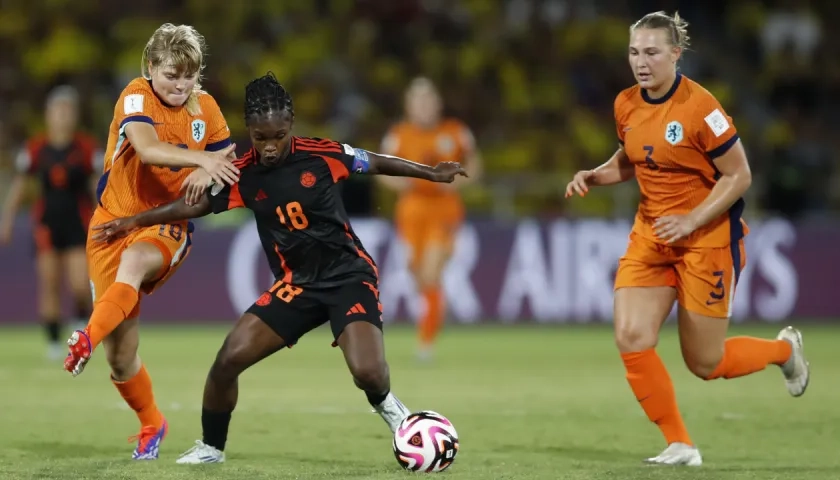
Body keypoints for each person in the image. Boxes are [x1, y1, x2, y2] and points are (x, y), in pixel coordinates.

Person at [91, 72, 468, 464]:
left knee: (368, 372)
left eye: (277, 136)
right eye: (260, 137)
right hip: (296, 286)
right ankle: (211, 448)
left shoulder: (323, 155)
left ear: (290, 125)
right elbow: (196, 205)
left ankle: (392, 410)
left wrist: (431, 173)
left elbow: (374, 162)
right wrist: (136, 221)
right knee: (227, 361)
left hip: (347, 277)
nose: (269, 147)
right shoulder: (242, 173)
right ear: (249, 130)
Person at [564, 11, 809, 466]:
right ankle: (681, 444)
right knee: (631, 335)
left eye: (652, 52)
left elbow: (739, 175)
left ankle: (783, 351)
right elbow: (634, 155)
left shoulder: (702, 108)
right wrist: (595, 176)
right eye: (635, 52)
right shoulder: (626, 103)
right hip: (652, 235)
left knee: (705, 363)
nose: (642, 62)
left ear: (676, 54)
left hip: (707, 240)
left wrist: (693, 220)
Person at [62, 23, 239, 460]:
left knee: (137, 263)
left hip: (165, 221)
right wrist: (202, 159)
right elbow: (147, 148)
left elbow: (228, 153)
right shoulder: (135, 96)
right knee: (122, 358)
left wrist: (206, 169)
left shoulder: (207, 108)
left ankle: (84, 336)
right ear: (150, 68)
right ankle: (151, 423)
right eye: (170, 76)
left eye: (189, 76)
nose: (180, 86)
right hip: (110, 225)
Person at [377, 77, 481, 361]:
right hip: (411, 210)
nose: (423, 107)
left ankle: (426, 344)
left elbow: (474, 162)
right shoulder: (399, 134)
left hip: (444, 208)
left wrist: (460, 181)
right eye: (417, 101)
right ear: (409, 106)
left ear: (437, 104)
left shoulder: (455, 131)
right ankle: (435, 314)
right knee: (419, 275)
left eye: (428, 100)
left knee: (432, 270)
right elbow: (382, 169)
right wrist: (403, 184)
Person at [0, 86, 99, 360]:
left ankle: (80, 327)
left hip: (79, 223)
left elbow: (96, 187)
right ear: (48, 114)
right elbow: (20, 186)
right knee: (50, 283)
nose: (63, 116)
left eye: (68, 111)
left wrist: (107, 216)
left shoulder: (86, 148)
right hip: (46, 224)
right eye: (58, 110)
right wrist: (7, 220)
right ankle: (54, 343)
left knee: (80, 284)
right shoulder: (36, 149)